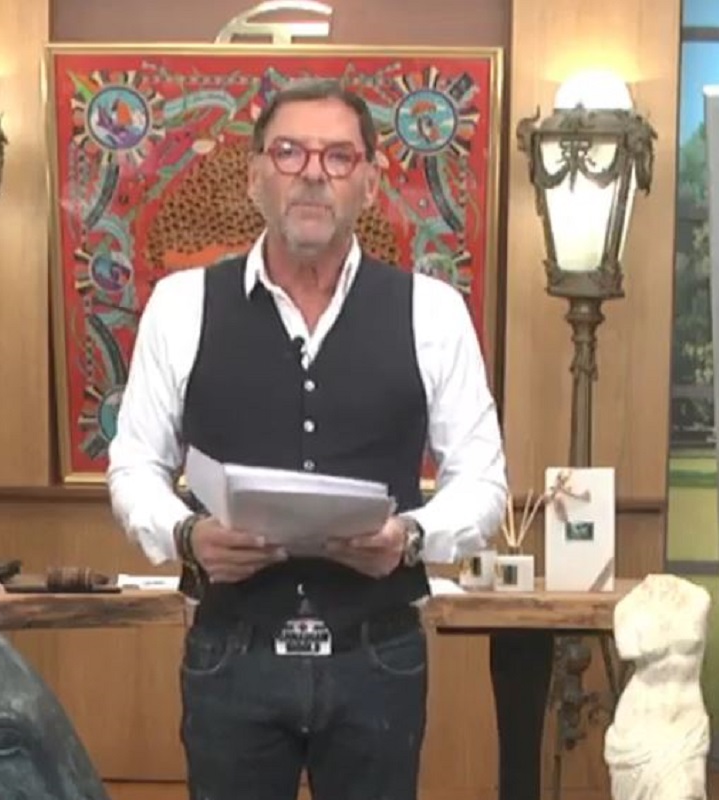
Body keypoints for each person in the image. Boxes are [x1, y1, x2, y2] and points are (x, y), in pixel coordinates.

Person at [106, 78, 508, 800]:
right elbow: (135, 464)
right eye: (290, 153)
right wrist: (188, 536)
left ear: (370, 183)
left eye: (338, 156)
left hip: (377, 656)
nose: (314, 173)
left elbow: (483, 480)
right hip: (232, 652)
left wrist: (411, 537)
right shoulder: (181, 305)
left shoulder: (434, 312)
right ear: (255, 175)